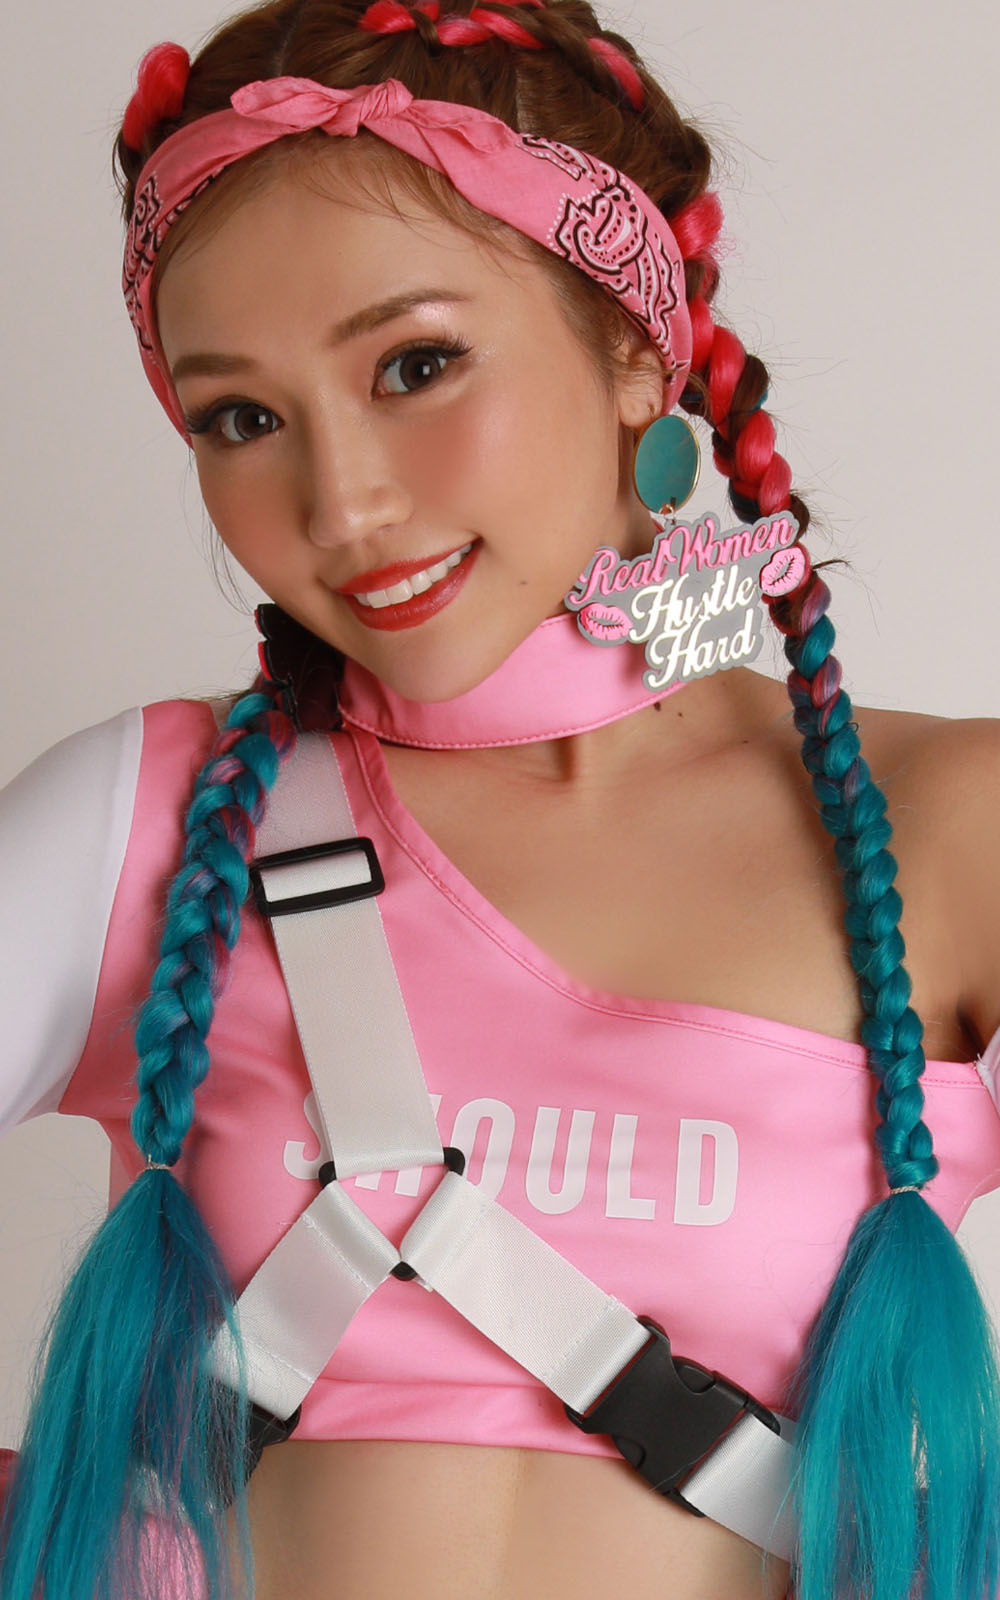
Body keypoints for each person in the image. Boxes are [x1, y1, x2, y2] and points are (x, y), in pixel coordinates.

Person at [1, 3, 999, 1598]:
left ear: (634, 346)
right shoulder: (151, 819)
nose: (342, 503)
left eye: (417, 365)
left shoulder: (948, 828)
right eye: (241, 418)